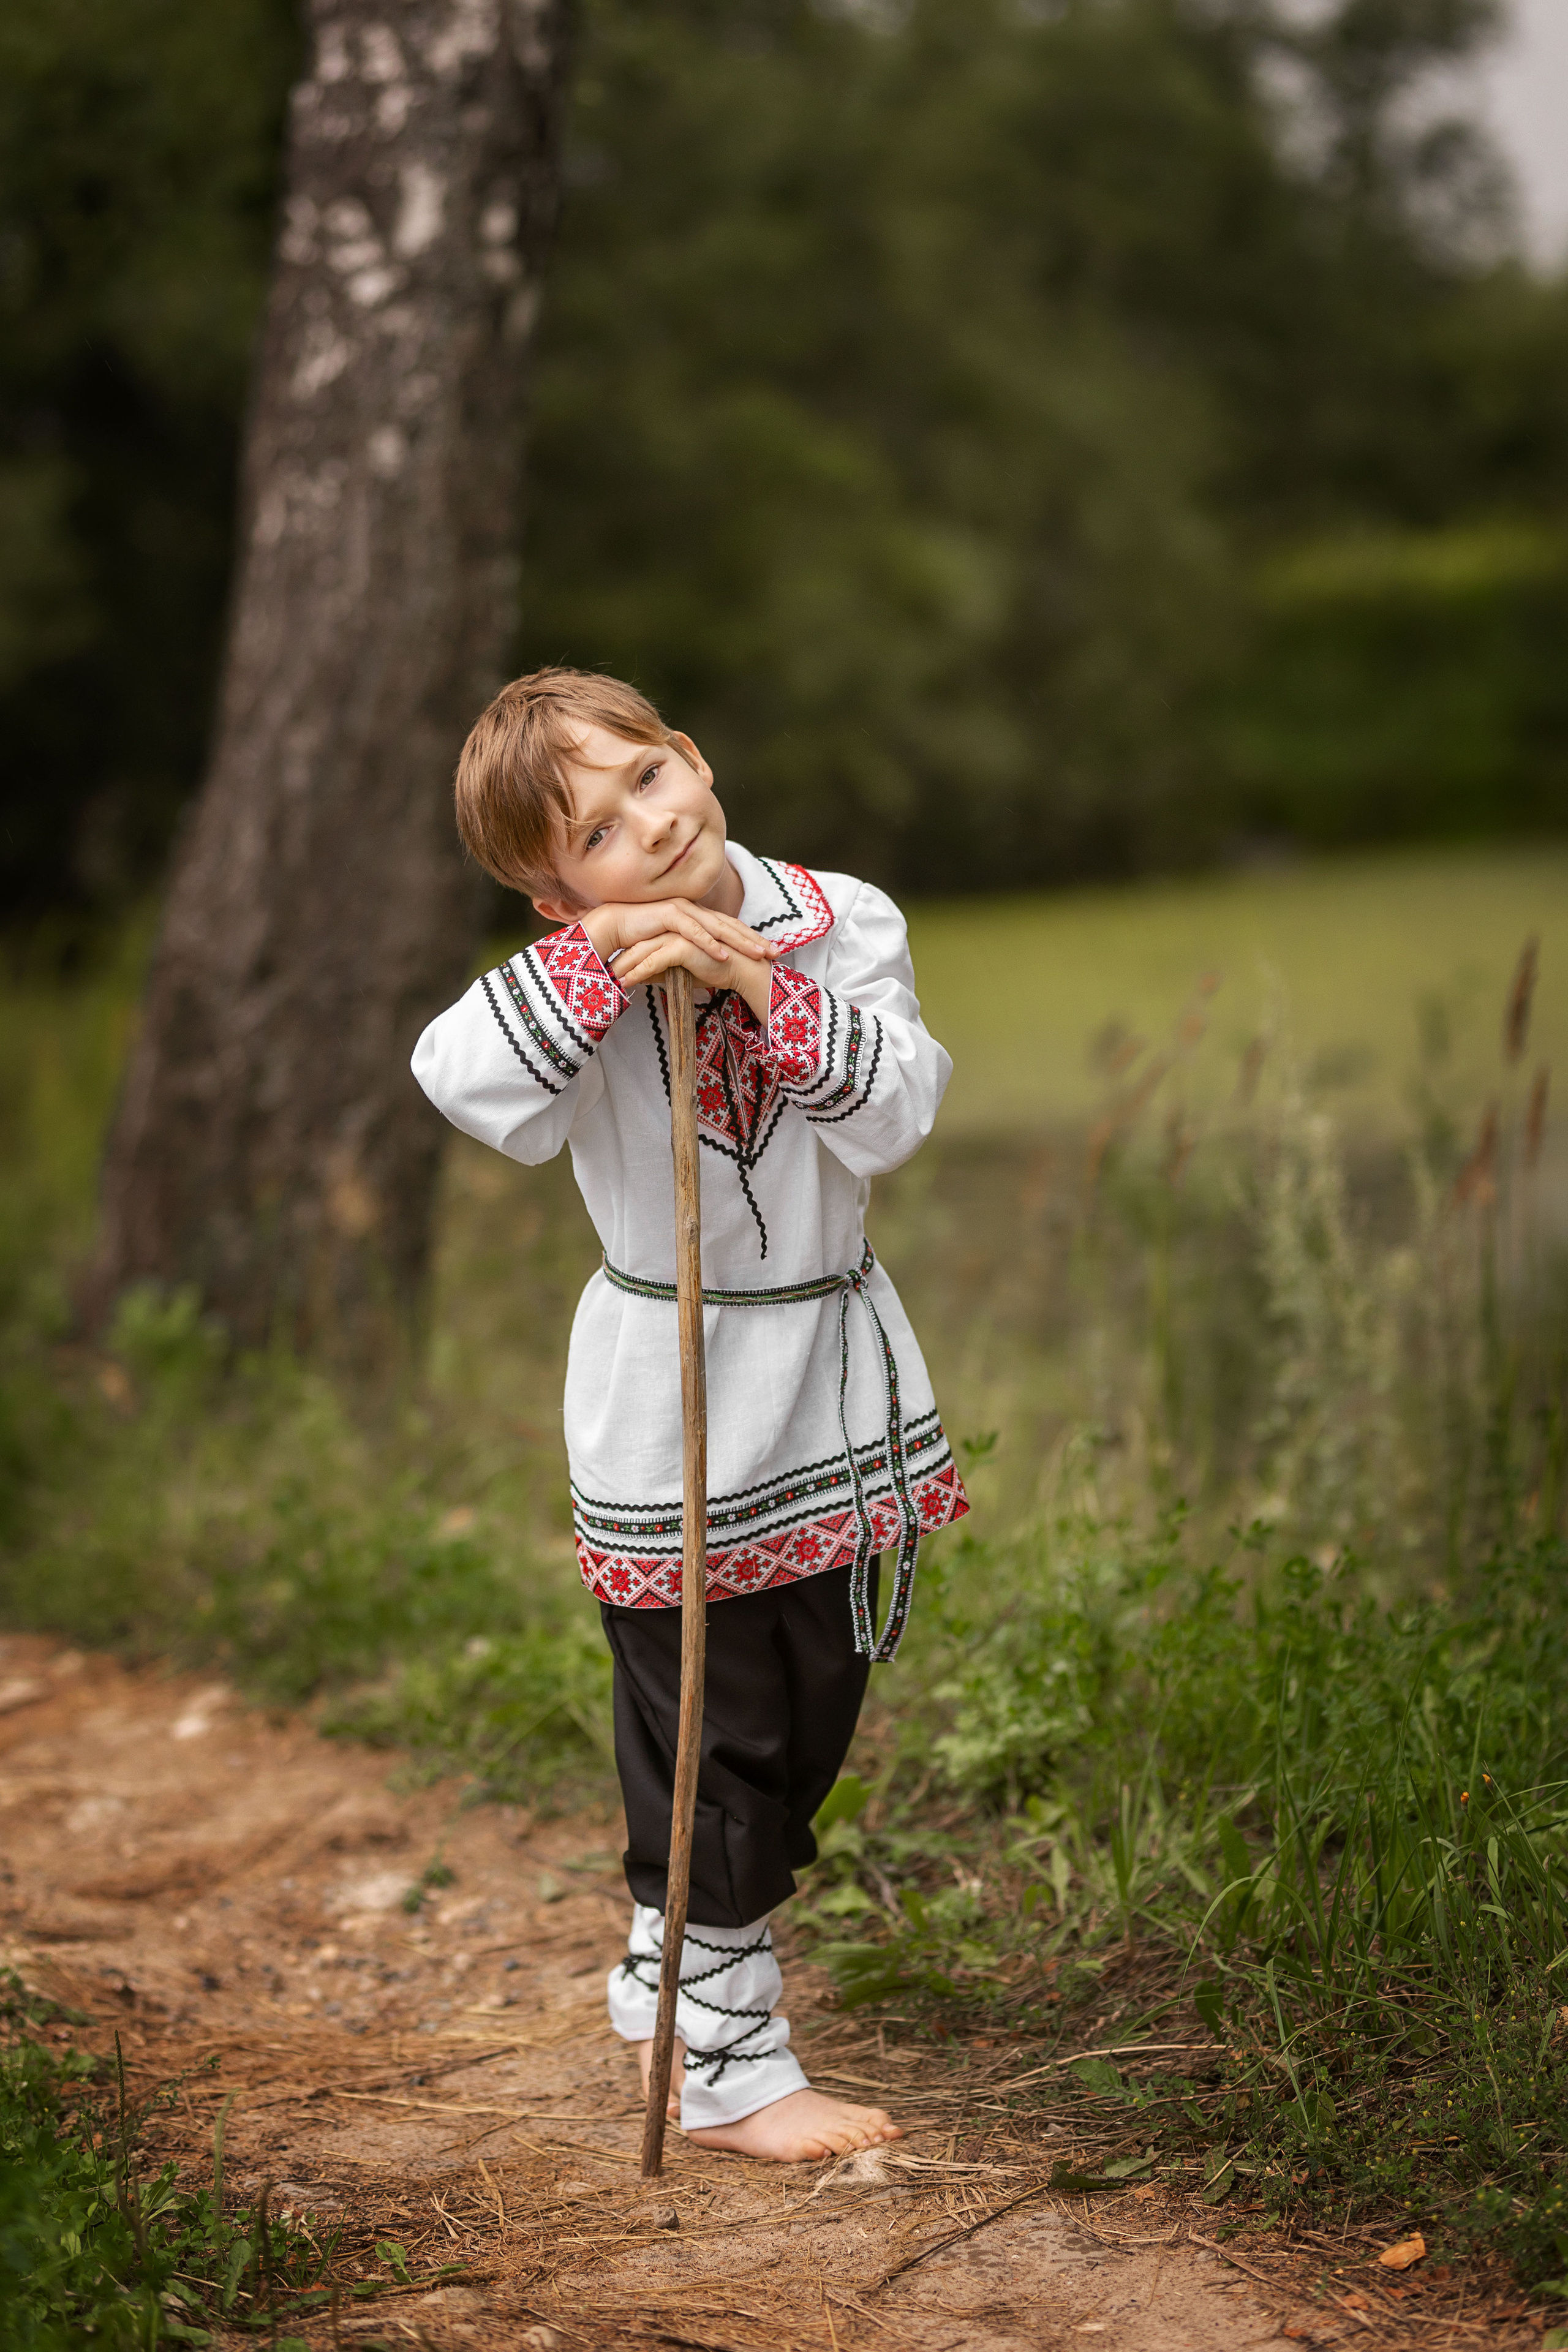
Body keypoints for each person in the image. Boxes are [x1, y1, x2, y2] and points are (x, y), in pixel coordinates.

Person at [412, 668, 968, 2162]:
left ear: (694, 758)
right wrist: (602, 961)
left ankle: (670, 1963)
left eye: (647, 780)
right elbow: (460, 1082)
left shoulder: (841, 920)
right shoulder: (577, 976)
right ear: (555, 897)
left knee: (807, 1715)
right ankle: (723, 2069)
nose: (647, 829)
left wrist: (756, 986)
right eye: (594, 835)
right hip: (672, 1393)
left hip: (827, 1382)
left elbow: (896, 1117)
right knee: (711, 1735)